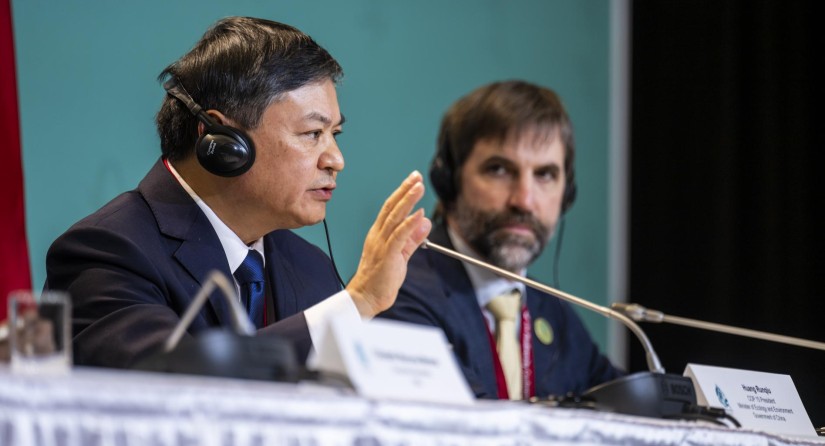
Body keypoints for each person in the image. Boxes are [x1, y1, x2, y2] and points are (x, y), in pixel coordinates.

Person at [45, 17, 431, 369]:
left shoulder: (312, 269)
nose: (336, 160)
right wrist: (357, 303)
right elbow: (170, 384)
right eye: (313, 133)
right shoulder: (107, 252)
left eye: (335, 134)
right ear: (222, 141)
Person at [378, 80, 622, 400]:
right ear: (449, 181)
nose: (524, 200)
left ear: (567, 194)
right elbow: (465, 420)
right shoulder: (399, 291)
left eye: (545, 174)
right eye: (499, 170)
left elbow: (633, 403)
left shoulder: (554, 313)